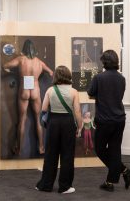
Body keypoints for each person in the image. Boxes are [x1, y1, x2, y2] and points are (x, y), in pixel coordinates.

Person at [87, 50, 130, 192]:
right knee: (115, 150)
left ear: (104, 62)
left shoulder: (99, 78)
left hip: (105, 120)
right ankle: (114, 178)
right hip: (119, 119)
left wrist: (100, 96)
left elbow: (90, 93)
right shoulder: (122, 78)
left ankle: (123, 171)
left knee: (100, 149)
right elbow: (117, 95)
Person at [36, 65, 82, 194]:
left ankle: (45, 185)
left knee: (50, 155)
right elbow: (77, 112)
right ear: (68, 76)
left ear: (56, 76)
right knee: (67, 155)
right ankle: (65, 187)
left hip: (53, 123)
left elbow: (44, 109)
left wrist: (44, 124)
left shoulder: (50, 90)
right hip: (68, 123)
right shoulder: (74, 91)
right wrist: (80, 126)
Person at [3, 39, 53, 155]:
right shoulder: (39, 62)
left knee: (22, 120)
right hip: (35, 90)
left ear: (24, 49)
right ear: (34, 50)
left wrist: (13, 73)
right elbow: (51, 73)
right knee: (38, 120)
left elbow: (4, 66)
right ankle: (41, 147)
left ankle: (19, 149)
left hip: (24, 90)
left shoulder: (21, 60)